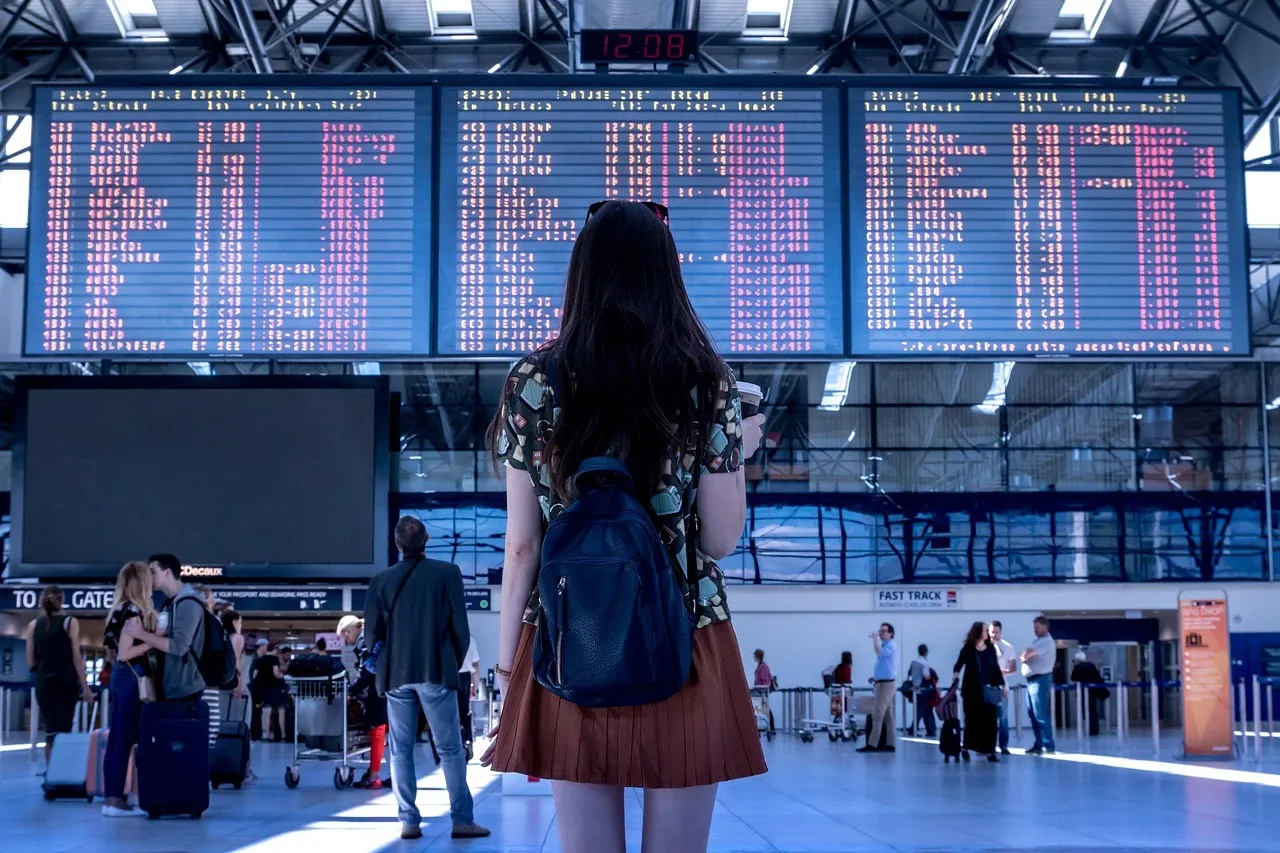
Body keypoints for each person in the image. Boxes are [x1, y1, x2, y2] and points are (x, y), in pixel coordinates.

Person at [483, 200, 768, 853]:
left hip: (567, 636)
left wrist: (507, 667)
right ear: (666, 275)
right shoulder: (706, 382)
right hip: (687, 636)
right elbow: (720, 540)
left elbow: (523, 544)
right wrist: (734, 455)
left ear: (581, 273)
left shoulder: (533, 379)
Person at [365, 516, 488, 841]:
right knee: (449, 749)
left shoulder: (381, 580)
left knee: (401, 750)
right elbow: (461, 629)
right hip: (436, 670)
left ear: (397, 544)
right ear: (427, 539)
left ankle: (409, 822)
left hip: (395, 676)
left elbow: (371, 634)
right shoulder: (447, 574)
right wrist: (451, 660)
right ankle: (462, 820)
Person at [101, 561, 157, 816]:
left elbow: (113, 654)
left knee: (116, 740)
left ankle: (111, 797)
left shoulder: (116, 611)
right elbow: (125, 652)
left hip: (118, 678)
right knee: (125, 740)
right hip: (133, 679)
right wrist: (153, 642)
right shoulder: (134, 611)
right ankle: (116, 800)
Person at [24, 585, 94, 761]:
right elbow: (76, 658)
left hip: (44, 685)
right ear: (61, 601)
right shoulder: (69, 622)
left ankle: (52, 775)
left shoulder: (33, 625)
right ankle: (59, 775)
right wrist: (85, 687)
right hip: (65, 684)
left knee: (51, 731)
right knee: (63, 731)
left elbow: (30, 662)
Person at [123, 554, 206, 704]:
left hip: (184, 691)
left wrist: (141, 634)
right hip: (172, 689)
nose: (149, 577)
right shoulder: (170, 604)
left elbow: (179, 647)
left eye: (153, 572)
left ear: (167, 572)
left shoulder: (187, 603)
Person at [336, 615, 387, 789]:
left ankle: (374, 776)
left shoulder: (364, 639)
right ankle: (378, 773)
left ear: (350, 630)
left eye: (345, 636)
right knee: (385, 732)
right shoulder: (374, 634)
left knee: (377, 730)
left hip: (378, 689)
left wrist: (352, 691)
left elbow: (366, 668)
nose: (346, 640)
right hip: (387, 686)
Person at [952, 621, 1004, 763]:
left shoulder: (990, 648)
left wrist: (1002, 685)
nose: (987, 633)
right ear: (978, 632)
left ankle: (989, 751)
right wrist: (956, 674)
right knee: (972, 720)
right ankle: (966, 747)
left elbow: (995, 668)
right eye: (985, 630)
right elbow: (959, 664)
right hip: (971, 690)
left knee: (990, 721)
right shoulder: (968, 648)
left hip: (988, 689)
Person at [858, 622, 900, 754]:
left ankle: (872, 744)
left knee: (877, 714)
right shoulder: (887, 646)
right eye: (880, 631)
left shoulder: (891, 646)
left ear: (891, 633)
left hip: (886, 686)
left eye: (883, 631)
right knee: (888, 716)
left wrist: (875, 639)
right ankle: (890, 744)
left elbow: (878, 652)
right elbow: (887, 666)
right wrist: (876, 677)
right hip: (883, 682)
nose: (881, 633)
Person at [1020, 615, 1057, 755]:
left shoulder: (1046, 642)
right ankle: (1039, 743)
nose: (1035, 630)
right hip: (1031, 681)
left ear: (1045, 627)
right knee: (1033, 715)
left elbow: (1027, 654)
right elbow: (1024, 654)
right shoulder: (1038, 641)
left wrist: (1026, 656)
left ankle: (1048, 745)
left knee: (1040, 714)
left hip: (1040, 680)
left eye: (1037, 627)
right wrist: (1025, 655)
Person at [990, 621, 1017, 756]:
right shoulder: (983, 647)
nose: (994, 634)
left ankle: (1003, 745)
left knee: (1003, 718)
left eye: (996, 631)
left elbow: (1013, 667)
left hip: (1001, 686)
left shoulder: (1008, 647)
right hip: (987, 687)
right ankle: (987, 746)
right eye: (992, 632)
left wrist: (1002, 672)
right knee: (988, 718)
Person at [252, 642, 288, 742]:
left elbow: (254, 675)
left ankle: (265, 735)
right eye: (277, 650)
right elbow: (276, 673)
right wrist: (282, 676)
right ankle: (283, 735)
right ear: (274, 649)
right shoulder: (274, 659)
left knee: (266, 712)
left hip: (265, 689)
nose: (278, 652)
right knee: (281, 711)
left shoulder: (260, 659)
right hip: (275, 688)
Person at [1070, 650, 1108, 737]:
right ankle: (1094, 730)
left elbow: (1073, 678)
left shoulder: (1078, 667)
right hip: (1093, 692)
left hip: (1083, 692)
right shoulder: (1091, 666)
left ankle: (1088, 728)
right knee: (1093, 710)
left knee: (1085, 710)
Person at [907, 644, 937, 738]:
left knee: (924, 710)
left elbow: (909, 674)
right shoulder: (925, 663)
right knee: (922, 711)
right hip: (924, 689)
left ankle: (930, 730)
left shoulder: (914, 662)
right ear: (926, 652)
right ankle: (913, 729)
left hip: (916, 688)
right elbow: (927, 676)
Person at [458, 636, 480, 760]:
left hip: (449, 677)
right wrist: (474, 687)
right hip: (465, 678)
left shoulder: (444, 636)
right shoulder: (470, 639)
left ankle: (455, 745)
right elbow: (475, 666)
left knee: (450, 713)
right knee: (464, 712)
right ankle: (468, 741)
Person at [753, 649, 775, 734]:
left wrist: (760, 687)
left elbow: (765, 680)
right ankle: (768, 727)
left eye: (755, 656)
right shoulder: (760, 666)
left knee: (765, 708)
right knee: (763, 708)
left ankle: (771, 727)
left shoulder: (763, 667)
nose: (753, 657)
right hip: (760, 691)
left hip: (763, 691)